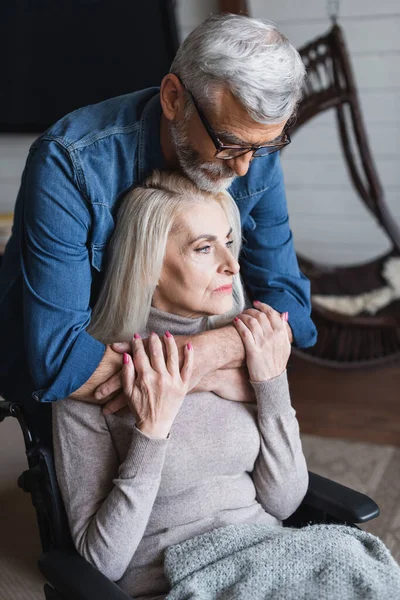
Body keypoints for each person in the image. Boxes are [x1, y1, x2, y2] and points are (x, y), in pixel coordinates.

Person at [0, 13, 316, 438]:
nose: (244, 168)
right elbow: (61, 360)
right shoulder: (70, 163)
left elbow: (291, 305)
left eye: (264, 147)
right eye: (228, 144)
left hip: (144, 374)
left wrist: (207, 352)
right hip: (77, 399)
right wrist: (216, 375)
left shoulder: (253, 152)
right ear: (173, 98)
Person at [53, 171, 308, 599]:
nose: (232, 264)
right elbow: (103, 561)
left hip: (269, 555)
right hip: (176, 579)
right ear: (148, 265)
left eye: (228, 241)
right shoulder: (91, 381)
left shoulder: (241, 349)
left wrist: (270, 383)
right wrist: (152, 431)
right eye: (204, 248)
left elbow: (283, 503)